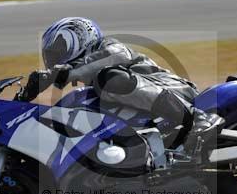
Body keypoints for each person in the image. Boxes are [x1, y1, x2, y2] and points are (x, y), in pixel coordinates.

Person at [21, 17, 224, 152]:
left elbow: (118, 55)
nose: (57, 58)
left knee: (110, 79)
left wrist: (67, 73)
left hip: (174, 91)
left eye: (60, 49)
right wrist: (23, 101)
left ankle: (199, 118)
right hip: (149, 112)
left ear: (82, 37)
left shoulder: (107, 47)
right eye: (52, 55)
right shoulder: (91, 83)